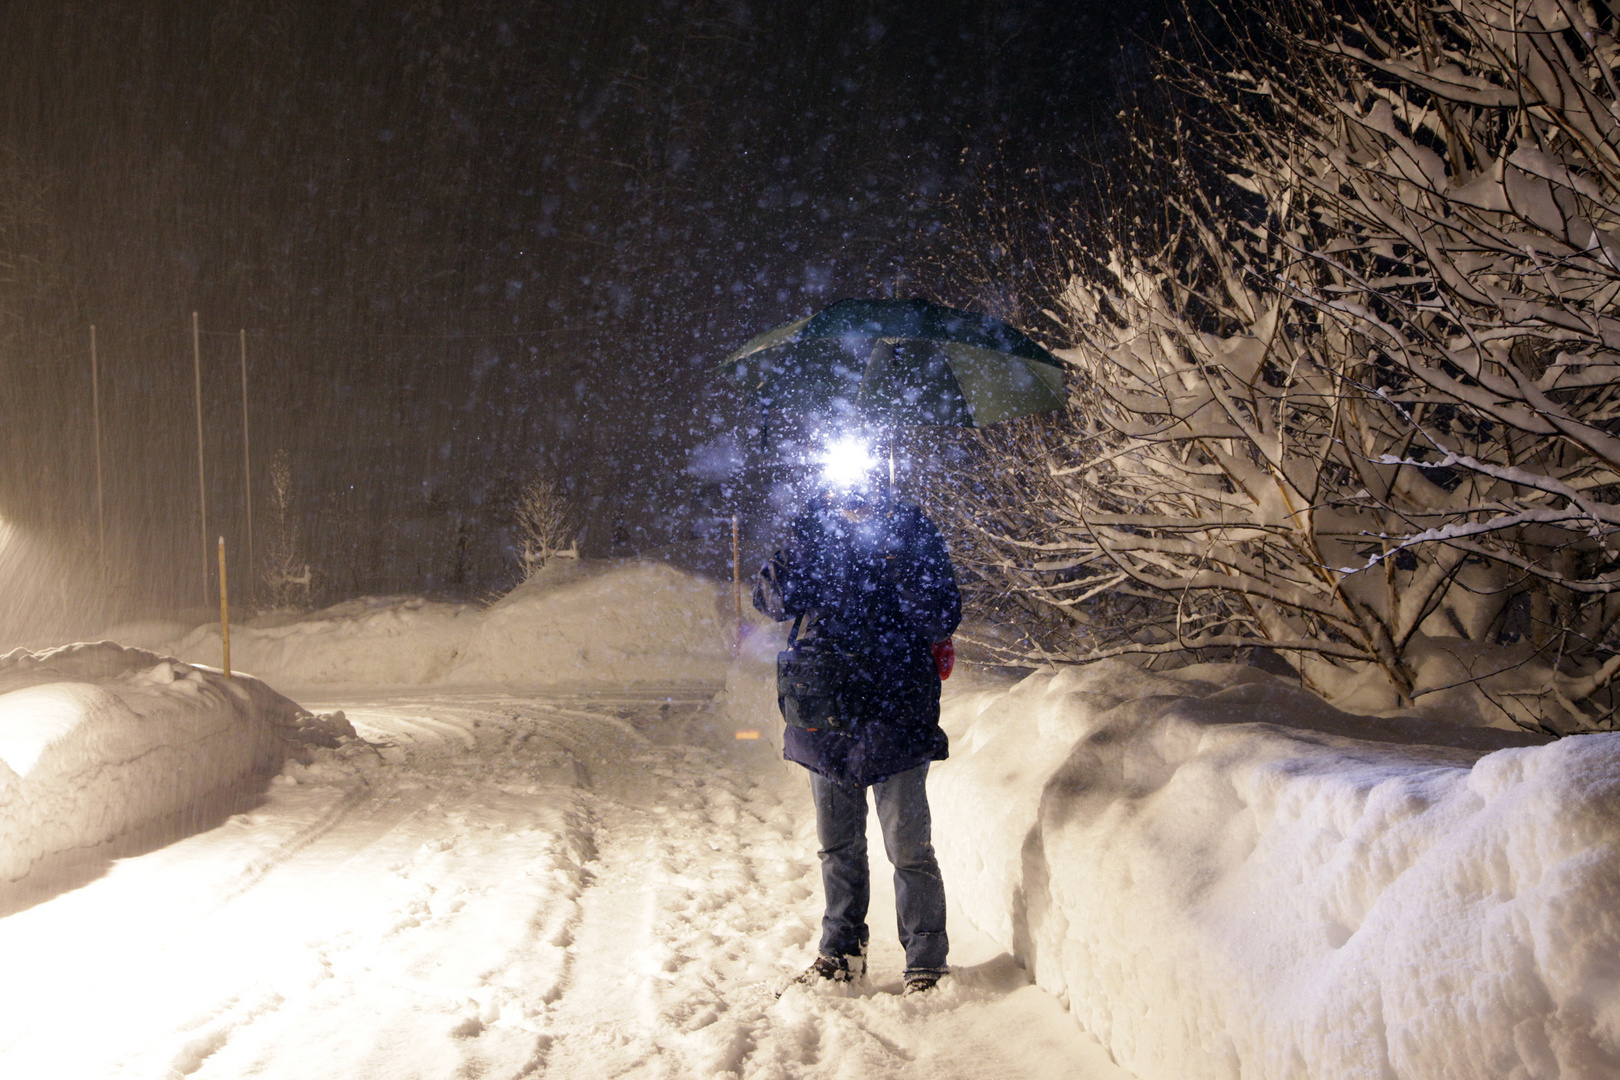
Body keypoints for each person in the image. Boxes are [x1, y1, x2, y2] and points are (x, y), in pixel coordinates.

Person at [753, 447, 961, 996]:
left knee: (908, 847)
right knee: (837, 844)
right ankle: (840, 953)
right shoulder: (809, 527)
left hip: (896, 707)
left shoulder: (910, 526)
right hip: (826, 708)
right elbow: (771, 598)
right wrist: (805, 551)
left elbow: (942, 612)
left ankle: (926, 961)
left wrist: (899, 561)